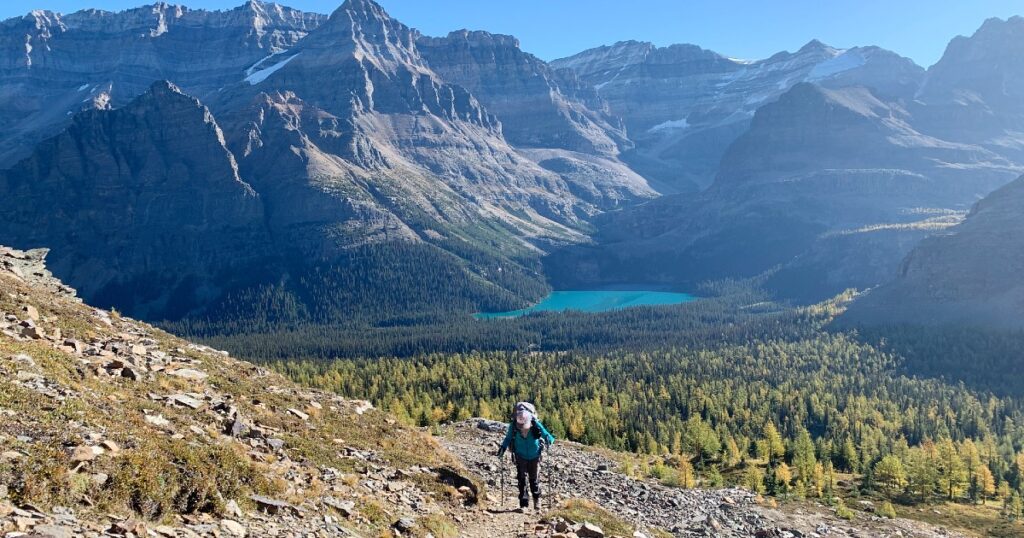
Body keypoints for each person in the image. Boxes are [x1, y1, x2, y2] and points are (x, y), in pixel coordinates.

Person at [496, 402, 555, 512]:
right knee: (521, 479)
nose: (522, 429)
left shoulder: (535, 423)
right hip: (520, 455)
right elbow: (508, 438)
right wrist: (502, 448)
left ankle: (537, 500)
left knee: (534, 479)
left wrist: (549, 439)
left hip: (535, 455)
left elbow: (545, 433)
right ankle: (524, 504)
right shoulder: (514, 425)